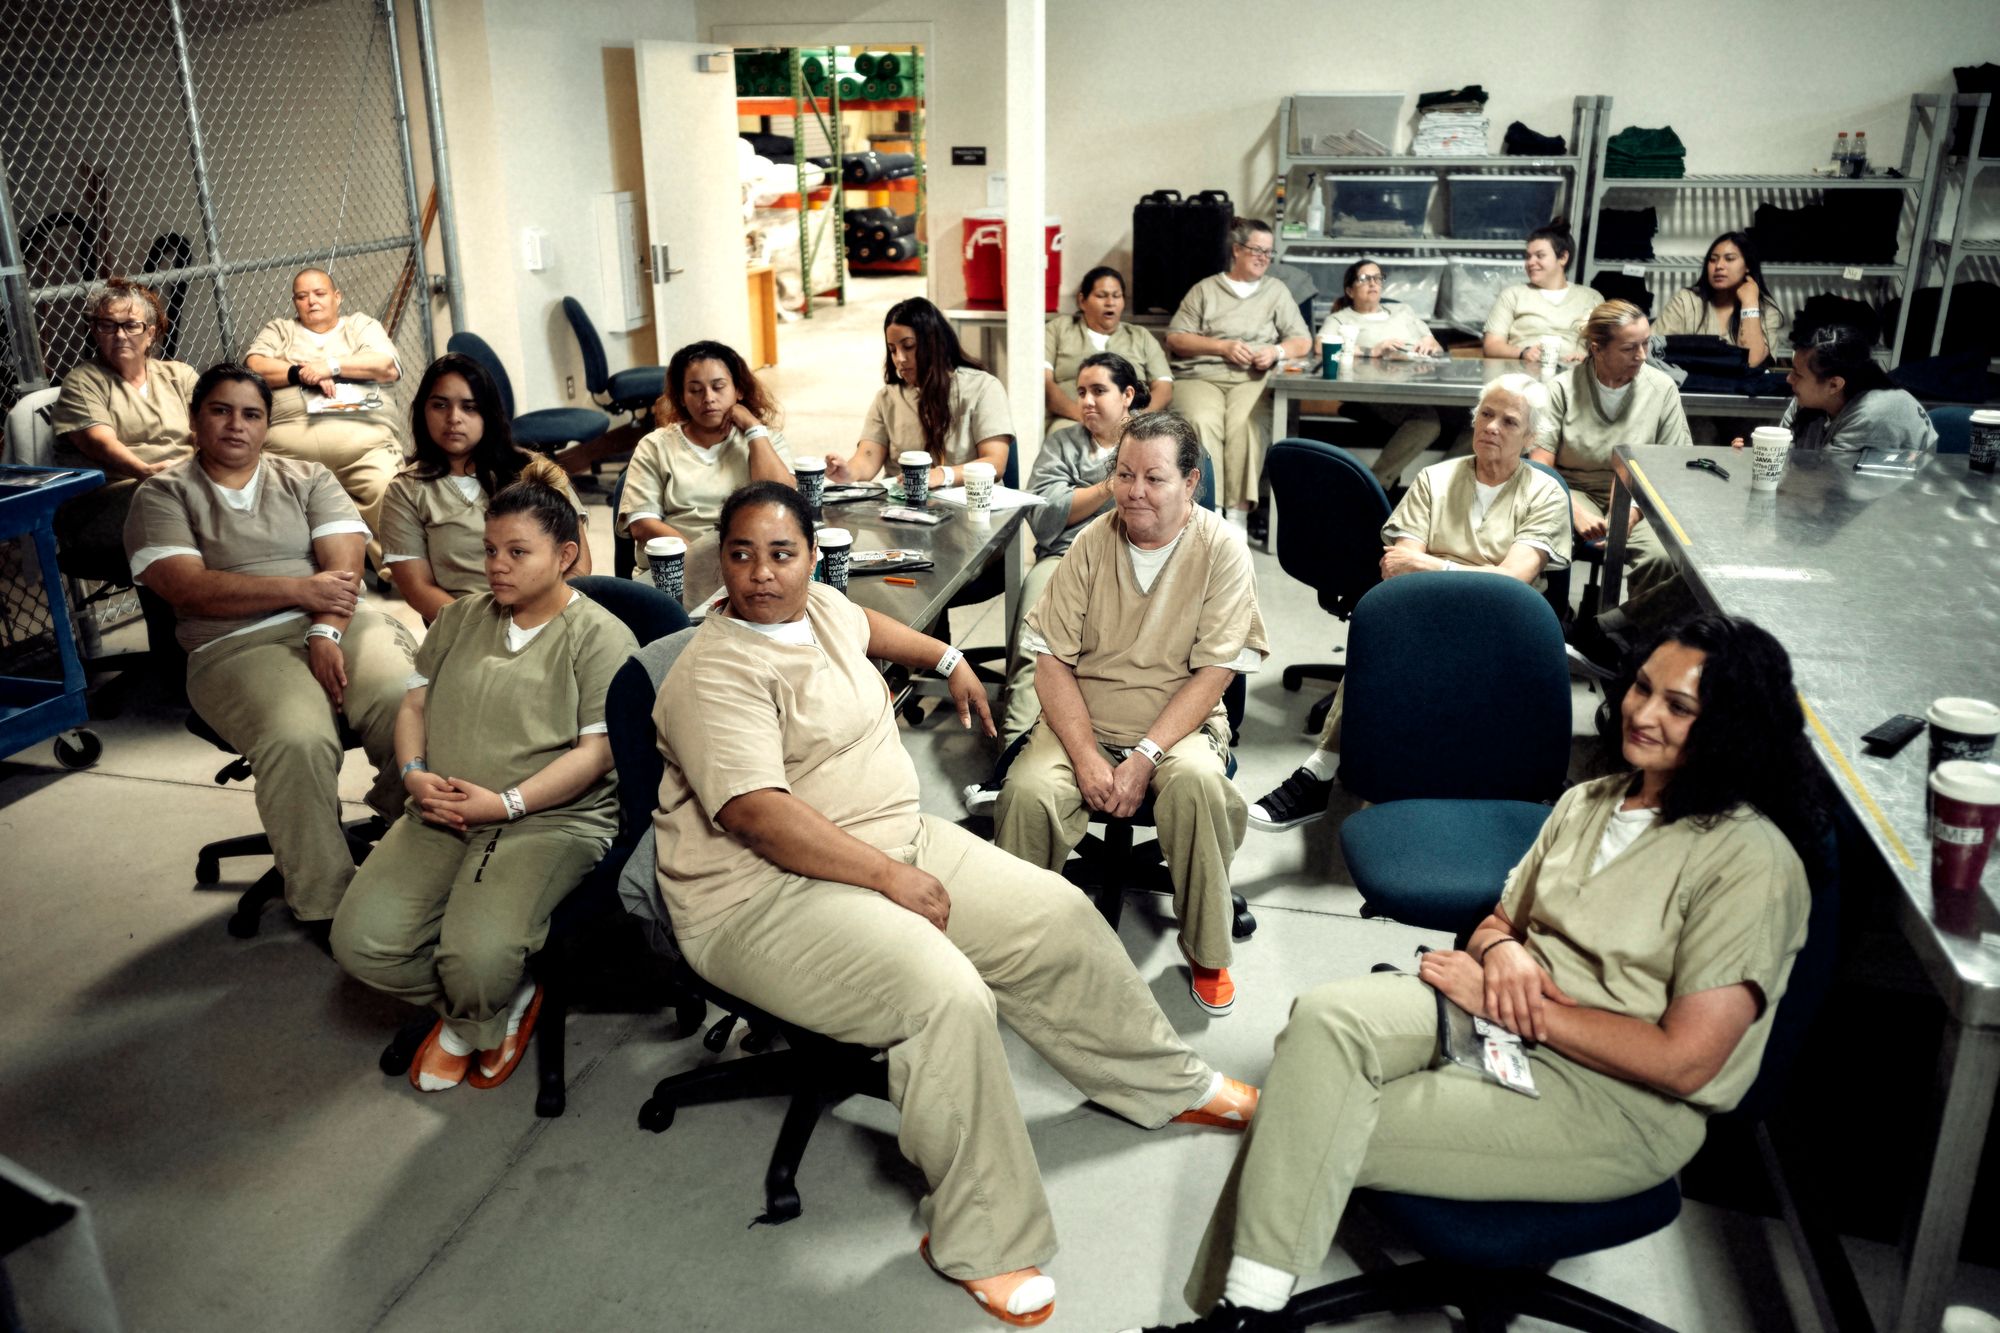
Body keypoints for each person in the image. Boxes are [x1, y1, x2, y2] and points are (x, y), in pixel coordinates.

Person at [652, 480, 1258, 1327]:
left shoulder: (822, 607)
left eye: (781, 553)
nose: (760, 573)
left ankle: (1160, 1079)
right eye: (742, 554)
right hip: (761, 894)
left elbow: (872, 626)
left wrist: (947, 658)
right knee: (946, 997)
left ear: (808, 554)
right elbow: (758, 817)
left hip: (883, 840)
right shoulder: (713, 671)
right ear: (722, 559)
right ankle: (977, 1237)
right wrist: (890, 877)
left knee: (1057, 913)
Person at [1129, 614, 1823, 1333]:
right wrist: (1503, 953)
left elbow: (1684, 1062)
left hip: (1618, 1100)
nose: (1645, 713)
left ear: (1731, 727)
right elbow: (1498, 918)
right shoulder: (1593, 801)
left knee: (1307, 1120)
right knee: (1325, 1019)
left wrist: (1524, 1009)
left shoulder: (1749, 861)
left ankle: (1238, 1320)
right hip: (1502, 1016)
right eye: (1643, 688)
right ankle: (1252, 1312)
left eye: (1679, 706)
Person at [332, 458, 636, 1093]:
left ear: (565, 555)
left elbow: (597, 755)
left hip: (547, 819)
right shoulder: (459, 618)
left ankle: (480, 1004)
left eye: (518, 551)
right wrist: (414, 775)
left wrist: (505, 805)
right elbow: (413, 703)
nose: (497, 564)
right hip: (440, 807)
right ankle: (485, 1016)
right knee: (360, 943)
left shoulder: (600, 637)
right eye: (490, 549)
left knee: (473, 956)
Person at [995, 411, 1267, 1017]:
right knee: (1030, 791)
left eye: (1155, 477)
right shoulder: (1092, 543)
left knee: (1198, 785)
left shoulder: (1220, 548)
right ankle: (1013, 948)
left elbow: (1215, 673)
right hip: (1082, 717)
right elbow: (1052, 664)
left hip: (1179, 724)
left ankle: (1208, 946)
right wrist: (1088, 755)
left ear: (1191, 482)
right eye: (1124, 474)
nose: (1134, 491)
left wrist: (1145, 756)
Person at [124, 364, 414, 927]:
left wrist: (324, 628)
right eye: (221, 410)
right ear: (194, 420)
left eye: (251, 414)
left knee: (409, 700)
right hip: (232, 646)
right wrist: (299, 589)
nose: (237, 425)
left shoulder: (307, 477)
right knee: (299, 738)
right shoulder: (162, 494)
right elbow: (188, 587)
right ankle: (328, 904)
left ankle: (418, 847)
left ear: (266, 425)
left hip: (336, 623)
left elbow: (345, 566)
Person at [1248, 375, 1569, 831]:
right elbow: (1397, 566)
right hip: (1427, 611)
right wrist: (1443, 570)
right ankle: (1319, 771)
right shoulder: (1434, 479)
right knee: (1379, 637)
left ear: (1531, 437)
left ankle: (1342, 773)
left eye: (1509, 421)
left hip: (1503, 624)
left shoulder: (1545, 493)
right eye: (1486, 414)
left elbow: (1513, 583)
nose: (1492, 426)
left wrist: (1433, 566)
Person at [1531, 299, 1692, 661]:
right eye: (1628, 347)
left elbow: (1671, 465)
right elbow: (1541, 466)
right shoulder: (1562, 388)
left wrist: (1630, 512)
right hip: (1575, 489)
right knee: (1543, 540)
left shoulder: (1661, 388)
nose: (1641, 355)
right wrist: (1573, 510)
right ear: (1596, 349)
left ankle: (1636, 646)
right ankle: (1548, 633)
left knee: (1663, 558)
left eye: (1646, 344)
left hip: (1641, 494)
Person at [379, 353, 591, 623]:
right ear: (423, 410)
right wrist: (491, 631)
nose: (453, 418)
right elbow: (418, 589)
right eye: (440, 405)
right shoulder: (406, 491)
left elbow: (578, 562)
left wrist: (542, 621)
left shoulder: (531, 468)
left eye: (469, 407)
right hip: (467, 631)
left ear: (488, 414)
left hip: (552, 619)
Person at [243, 267, 405, 551]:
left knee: (390, 490)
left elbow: (386, 366)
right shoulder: (280, 330)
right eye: (302, 297)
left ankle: (399, 573)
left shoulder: (359, 326)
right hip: (289, 451)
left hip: (365, 444)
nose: (312, 302)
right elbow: (254, 366)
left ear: (337, 297)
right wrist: (299, 373)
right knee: (265, 500)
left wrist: (330, 366)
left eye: (319, 293)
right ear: (295, 302)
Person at [48, 279, 200, 578]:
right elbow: (99, 443)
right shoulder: (84, 381)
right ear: (95, 331)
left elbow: (206, 429)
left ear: (150, 333)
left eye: (131, 325)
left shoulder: (178, 375)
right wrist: (148, 471)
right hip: (113, 498)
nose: (120, 335)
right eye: (108, 325)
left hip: (186, 483)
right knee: (175, 496)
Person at [1165, 217, 1312, 525]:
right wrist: (1221, 347)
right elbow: (1176, 338)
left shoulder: (1276, 291)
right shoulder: (1205, 290)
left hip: (1252, 377)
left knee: (1245, 425)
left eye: (1268, 252)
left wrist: (1275, 351)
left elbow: (1302, 340)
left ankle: (1236, 517)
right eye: (1256, 249)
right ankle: (1207, 512)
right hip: (1202, 376)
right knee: (1202, 422)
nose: (1263, 258)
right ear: (1237, 250)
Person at [617, 339, 794, 562]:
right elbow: (643, 525)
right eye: (695, 390)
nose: (708, 398)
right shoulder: (655, 446)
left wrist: (753, 429)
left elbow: (784, 504)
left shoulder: (765, 440)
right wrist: (701, 563)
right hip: (676, 566)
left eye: (718, 387)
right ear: (681, 397)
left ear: (738, 390)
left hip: (751, 564)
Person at [826, 297, 1011, 491]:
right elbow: (867, 458)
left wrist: (943, 474)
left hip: (969, 504)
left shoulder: (983, 387)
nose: (900, 358)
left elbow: (995, 463)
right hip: (904, 509)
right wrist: (849, 473)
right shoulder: (887, 398)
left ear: (934, 343)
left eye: (908, 346)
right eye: (892, 350)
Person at [1317, 258, 1445, 489]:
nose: (1373, 283)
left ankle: (1445, 485)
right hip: (1379, 390)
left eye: (1378, 278)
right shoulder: (1341, 319)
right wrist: (1372, 351)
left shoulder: (1403, 311)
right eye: (1365, 279)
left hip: (1422, 383)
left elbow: (1434, 344)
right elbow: (1321, 347)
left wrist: (1430, 343)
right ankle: (1373, 486)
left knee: (1474, 420)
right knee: (1427, 422)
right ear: (1350, 290)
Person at [1739, 326, 1938, 455]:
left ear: (1834, 384)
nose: (1789, 379)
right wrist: (1756, 455)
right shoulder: (1808, 398)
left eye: (1798, 374)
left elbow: (1828, 483)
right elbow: (1782, 456)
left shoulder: (1874, 413)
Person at [1043, 266, 1173, 435]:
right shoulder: (1059, 329)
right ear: (1082, 301)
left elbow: (1164, 389)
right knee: (1062, 436)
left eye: (1116, 296)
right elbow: (1044, 383)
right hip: (1072, 420)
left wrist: (1135, 420)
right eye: (1101, 296)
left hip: (1133, 424)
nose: (1110, 302)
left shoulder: (1141, 336)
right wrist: (1083, 416)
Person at [1655, 231, 1787, 368]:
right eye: (1713, 259)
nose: (1718, 266)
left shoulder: (1766, 309)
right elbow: (1651, 348)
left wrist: (1749, 304)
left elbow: (1752, 361)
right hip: (1689, 386)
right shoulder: (1686, 300)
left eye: (1729, 259)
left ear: (1748, 266)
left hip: (1741, 388)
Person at [1481, 220, 1601, 364]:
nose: (1530, 262)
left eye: (1540, 255)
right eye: (1528, 256)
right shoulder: (1512, 295)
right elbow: (1492, 346)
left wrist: (1588, 359)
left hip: (1573, 377)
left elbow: (1607, 347)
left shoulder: (1591, 298)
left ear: (1563, 257)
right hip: (1521, 377)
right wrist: (1522, 353)